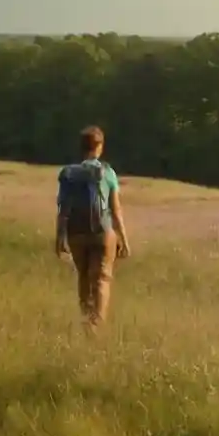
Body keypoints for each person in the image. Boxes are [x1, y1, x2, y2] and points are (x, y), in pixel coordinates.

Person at [54, 125, 131, 329]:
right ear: (99, 147)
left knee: (84, 277)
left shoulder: (68, 173)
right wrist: (123, 238)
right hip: (103, 232)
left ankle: (85, 318)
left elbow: (63, 209)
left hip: (76, 233)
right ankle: (96, 325)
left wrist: (59, 236)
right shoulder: (107, 172)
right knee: (102, 278)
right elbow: (115, 209)